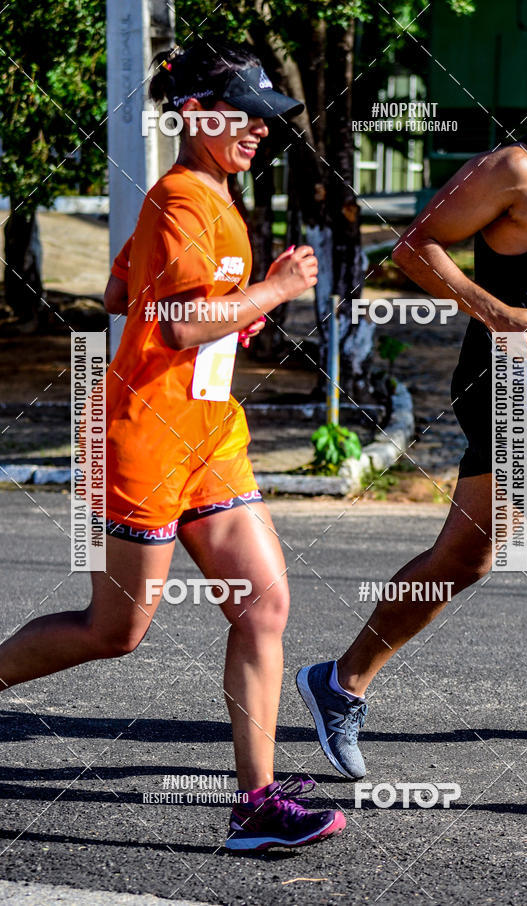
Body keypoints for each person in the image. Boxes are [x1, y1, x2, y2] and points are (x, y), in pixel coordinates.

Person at [0, 39, 345, 851]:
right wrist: (274, 290)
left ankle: (254, 804)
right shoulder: (183, 199)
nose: (263, 130)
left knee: (263, 604)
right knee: (114, 633)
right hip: (143, 440)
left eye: (269, 119)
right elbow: (176, 321)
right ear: (194, 114)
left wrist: (239, 310)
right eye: (248, 115)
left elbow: (124, 290)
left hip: (209, 431)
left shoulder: (207, 196)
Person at [297, 12, 527, 805]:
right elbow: (415, 245)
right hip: (504, 381)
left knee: (462, 560)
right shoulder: (517, 169)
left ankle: (340, 682)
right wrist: (490, 307)